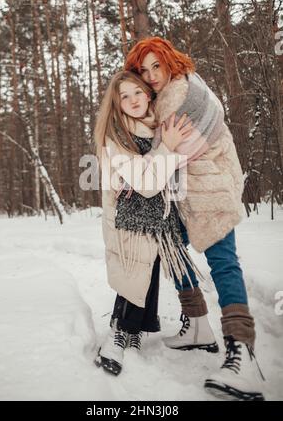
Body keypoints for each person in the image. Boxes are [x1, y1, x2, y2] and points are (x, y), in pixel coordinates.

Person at [124, 36, 265, 401]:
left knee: (222, 261)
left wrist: (146, 166)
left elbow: (166, 154)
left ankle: (242, 352)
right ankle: (198, 324)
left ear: (170, 62)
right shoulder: (167, 96)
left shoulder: (182, 95)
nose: (152, 75)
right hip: (185, 191)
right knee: (171, 247)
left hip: (210, 185)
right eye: (144, 70)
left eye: (158, 66)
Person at [93, 70, 202, 376]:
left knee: (147, 268)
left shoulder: (156, 126)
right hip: (125, 219)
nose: (132, 101)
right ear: (117, 104)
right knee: (133, 271)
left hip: (157, 218)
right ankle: (118, 332)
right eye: (124, 96)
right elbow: (147, 183)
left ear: (148, 93)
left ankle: (134, 329)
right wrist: (166, 147)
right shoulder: (117, 133)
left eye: (137, 92)